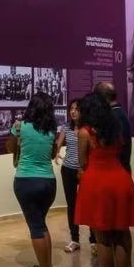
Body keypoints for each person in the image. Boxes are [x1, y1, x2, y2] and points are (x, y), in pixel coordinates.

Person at [74, 92, 134, 267]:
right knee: (122, 232)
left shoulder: (85, 133)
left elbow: (82, 161)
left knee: (102, 235)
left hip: (98, 183)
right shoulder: (116, 128)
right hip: (121, 180)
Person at [9, 91, 59, 267]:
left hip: (26, 181)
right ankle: (47, 265)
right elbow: (53, 153)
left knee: (36, 227)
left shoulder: (20, 127)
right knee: (41, 224)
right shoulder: (51, 130)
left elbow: (10, 148)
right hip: (48, 182)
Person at [53, 98, 94, 254]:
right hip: (69, 170)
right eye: (71, 109)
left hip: (86, 170)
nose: (73, 111)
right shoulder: (66, 127)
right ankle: (75, 239)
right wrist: (56, 153)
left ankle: (93, 239)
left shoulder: (88, 128)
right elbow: (58, 143)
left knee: (89, 204)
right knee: (72, 205)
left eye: (76, 109)